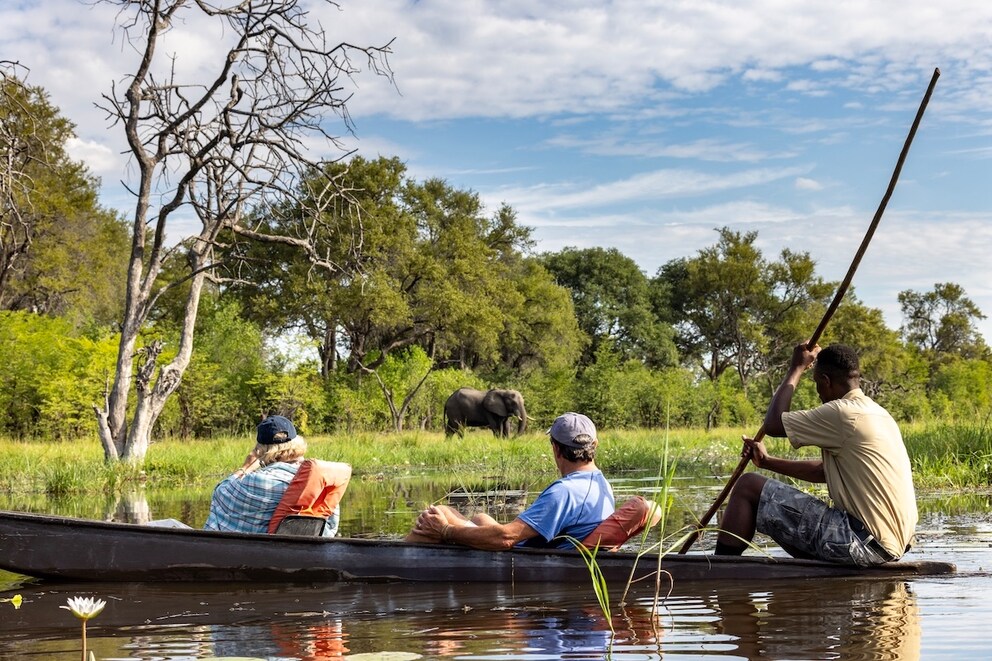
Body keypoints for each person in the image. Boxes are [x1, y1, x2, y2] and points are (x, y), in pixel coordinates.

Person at [715, 342, 917, 566]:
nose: (818, 393)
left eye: (817, 385)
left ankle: (719, 569)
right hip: (887, 548)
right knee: (756, 486)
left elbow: (772, 424)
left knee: (747, 486)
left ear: (826, 381)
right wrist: (767, 462)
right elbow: (825, 470)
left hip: (862, 544)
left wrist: (797, 368)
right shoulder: (879, 413)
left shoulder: (842, 413)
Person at [406, 412, 616, 550]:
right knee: (480, 518)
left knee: (437, 514)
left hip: (521, 556)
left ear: (556, 448)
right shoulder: (601, 484)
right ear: (594, 445)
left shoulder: (566, 491)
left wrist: (445, 530)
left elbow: (506, 538)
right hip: (540, 546)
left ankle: (391, 561)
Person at [204, 415, 351, 537]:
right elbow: (331, 526)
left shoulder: (258, 481)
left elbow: (220, 493)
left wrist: (245, 468)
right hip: (309, 553)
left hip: (260, 556)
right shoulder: (320, 481)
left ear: (261, 451)